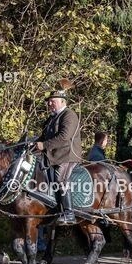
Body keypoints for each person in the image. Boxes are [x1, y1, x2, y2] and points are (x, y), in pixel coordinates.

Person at [35, 80, 83, 225]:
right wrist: (32, 144)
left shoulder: (69, 115)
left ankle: (69, 213)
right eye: (49, 101)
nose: (49, 104)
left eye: (52, 101)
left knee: (60, 178)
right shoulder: (51, 118)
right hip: (53, 156)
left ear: (62, 102)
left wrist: (44, 145)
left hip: (67, 155)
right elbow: (43, 137)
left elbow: (64, 137)